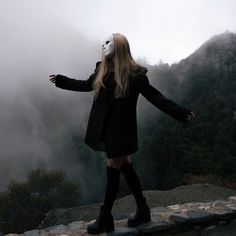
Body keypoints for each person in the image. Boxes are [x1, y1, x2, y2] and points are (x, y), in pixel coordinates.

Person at [49, 33, 196, 234]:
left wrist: (182, 112)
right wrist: (62, 80)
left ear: (120, 46)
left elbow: (156, 97)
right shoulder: (101, 69)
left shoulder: (135, 74)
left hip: (121, 131)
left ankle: (105, 217)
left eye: (109, 41)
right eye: (104, 41)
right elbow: (85, 85)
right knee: (126, 166)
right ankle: (143, 210)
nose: (104, 44)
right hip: (105, 129)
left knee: (113, 168)